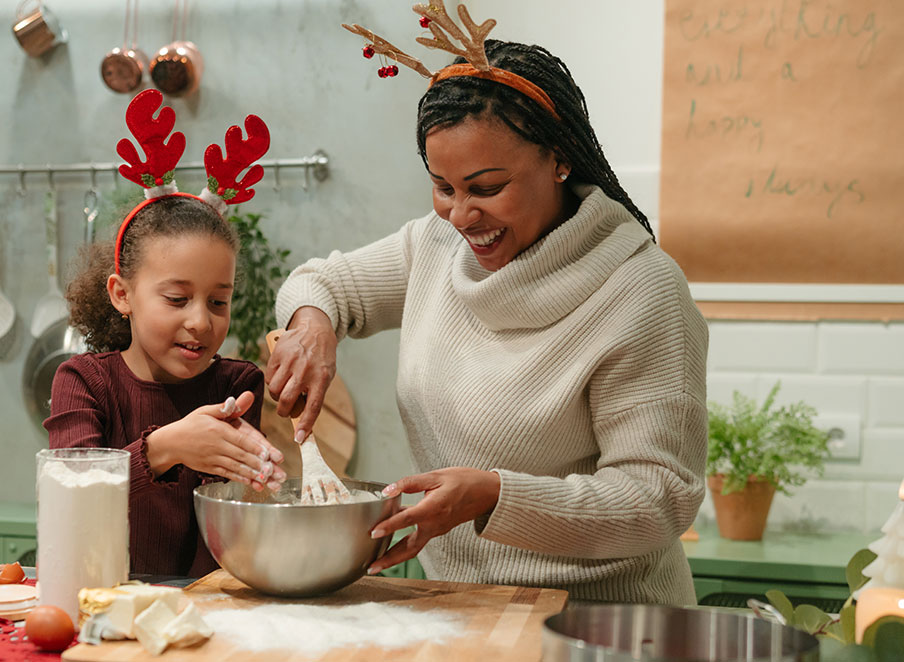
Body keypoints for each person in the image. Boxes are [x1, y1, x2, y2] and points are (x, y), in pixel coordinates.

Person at [266, 33, 709, 604]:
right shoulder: (435, 245)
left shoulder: (640, 290)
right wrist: (311, 327)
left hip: (606, 624)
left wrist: (496, 497)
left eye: (488, 188)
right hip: (466, 608)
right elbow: (321, 283)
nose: (461, 215)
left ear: (560, 159)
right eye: (442, 187)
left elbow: (657, 497)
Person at [46, 90, 285, 578]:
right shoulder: (83, 381)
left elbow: (226, 531)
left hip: (199, 611)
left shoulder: (236, 387)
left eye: (219, 301)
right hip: (100, 597)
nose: (201, 321)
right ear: (122, 294)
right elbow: (72, 493)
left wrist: (256, 488)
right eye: (177, 299)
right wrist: (166, 448)